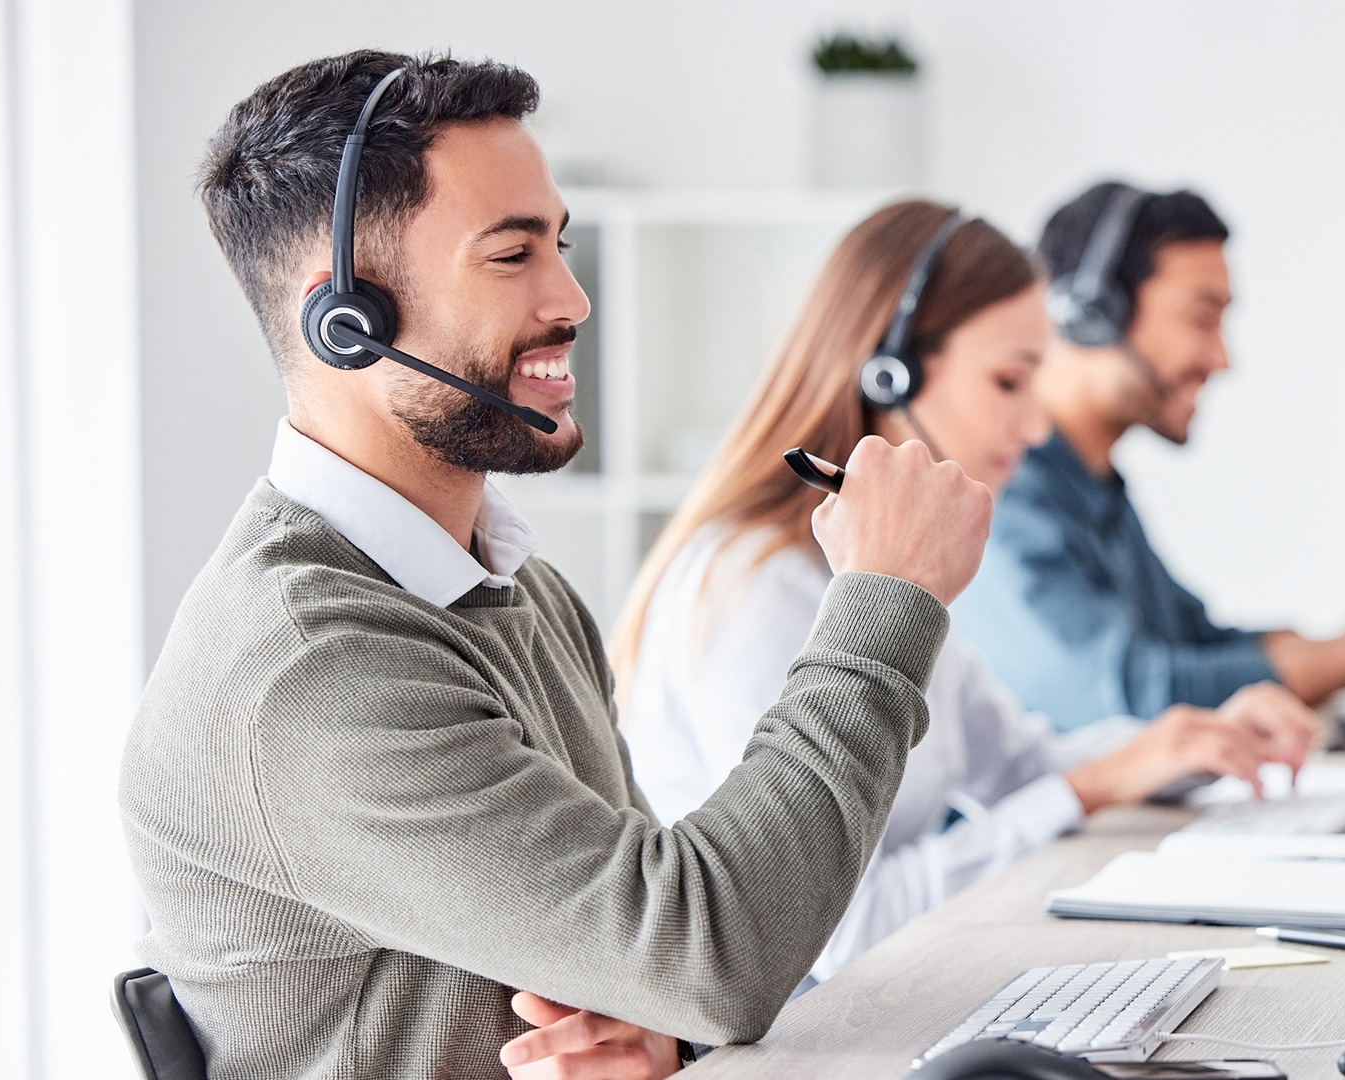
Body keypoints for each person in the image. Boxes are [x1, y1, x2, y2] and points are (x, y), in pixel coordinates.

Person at [120, 51, 999, 1080]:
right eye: (512, 255)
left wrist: (657, 1031)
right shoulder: (311, 666)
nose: (574, 299)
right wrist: (882, 600)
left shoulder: (512, 588)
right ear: (346, 320)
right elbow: (713, 950)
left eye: (562, 246)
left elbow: (657, 953)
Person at [611, 201, 1322, 985]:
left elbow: (1019, 764)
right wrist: (1086, 789)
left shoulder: (893, 565)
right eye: (1010, 381)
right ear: (891, 372)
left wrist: (1193, 743)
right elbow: (837, 935)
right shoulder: (759, 588)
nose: (1037, 427)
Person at [951, 182, 1345, 731]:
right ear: (1094, 310)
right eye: (1201, 318)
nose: (1221, 359)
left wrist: (1336, 644)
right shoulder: (1005, 493)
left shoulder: (1094, 488)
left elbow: (1192, 639)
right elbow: (1131, 694)